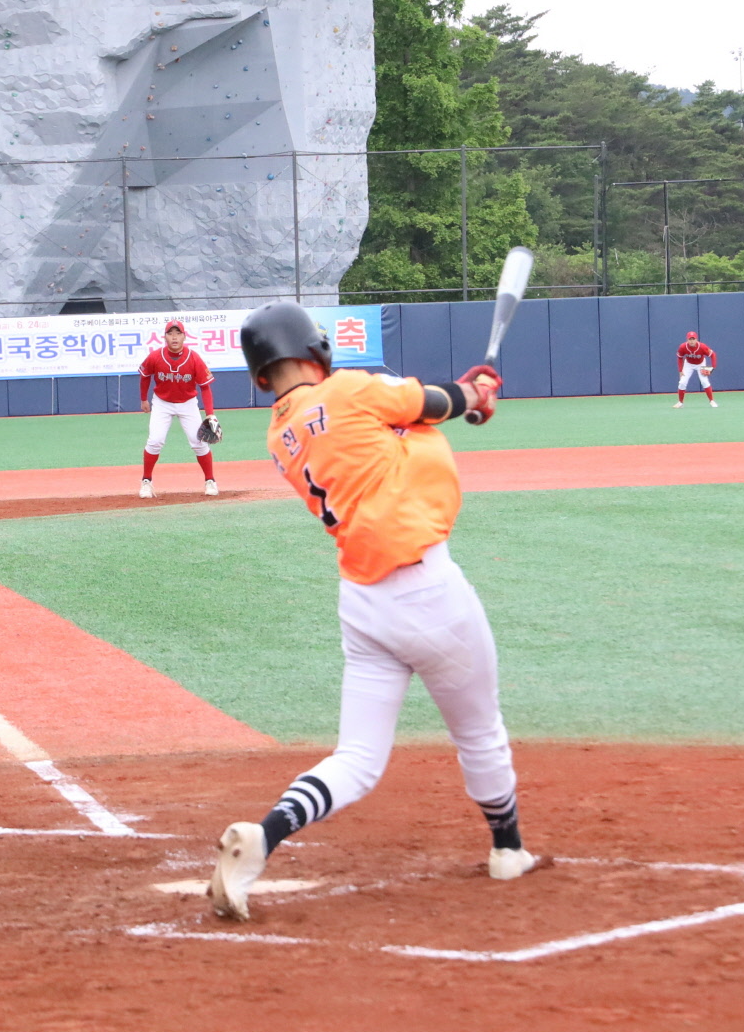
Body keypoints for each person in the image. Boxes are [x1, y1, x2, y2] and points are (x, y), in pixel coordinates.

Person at [207, 303, 536, 922]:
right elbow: (438, 403)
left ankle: (265, 836)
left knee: (357, 758)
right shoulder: (352, 389)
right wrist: (477, 391)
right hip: (429, 590)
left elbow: (409, 424)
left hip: (363, 602)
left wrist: (466, 397)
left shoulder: (278, 437)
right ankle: (507, 848)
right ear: (316, 349)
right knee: (478, 731)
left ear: (259, 376)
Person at [137, 319, 218, 498]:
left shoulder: (194, 358)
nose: (174, 337)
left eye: (178, 333)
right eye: (170, 333)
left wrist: (210, 414)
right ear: (164, 337)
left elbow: (205, 387)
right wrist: (144, 399)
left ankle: (210, 481)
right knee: (155, 440)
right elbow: (144, 377)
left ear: (184, 336)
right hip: (162, 403)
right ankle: (146, 482)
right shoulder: (155, 356)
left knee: (199, 442)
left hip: (188, 403)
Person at [675, 329, 718, 408]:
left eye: (693, 339)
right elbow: (680, 358)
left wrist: (712, 367)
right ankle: (680, 402)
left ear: (696, 339)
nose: (691, 341)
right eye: (690, 339)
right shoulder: (683, 347)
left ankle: (712, 401)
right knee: (682, 382)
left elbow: (713, 355)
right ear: (687, 340)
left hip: (700, 364)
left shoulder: (702, 347)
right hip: (688, 364)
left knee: (704, 381)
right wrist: (680, 370)